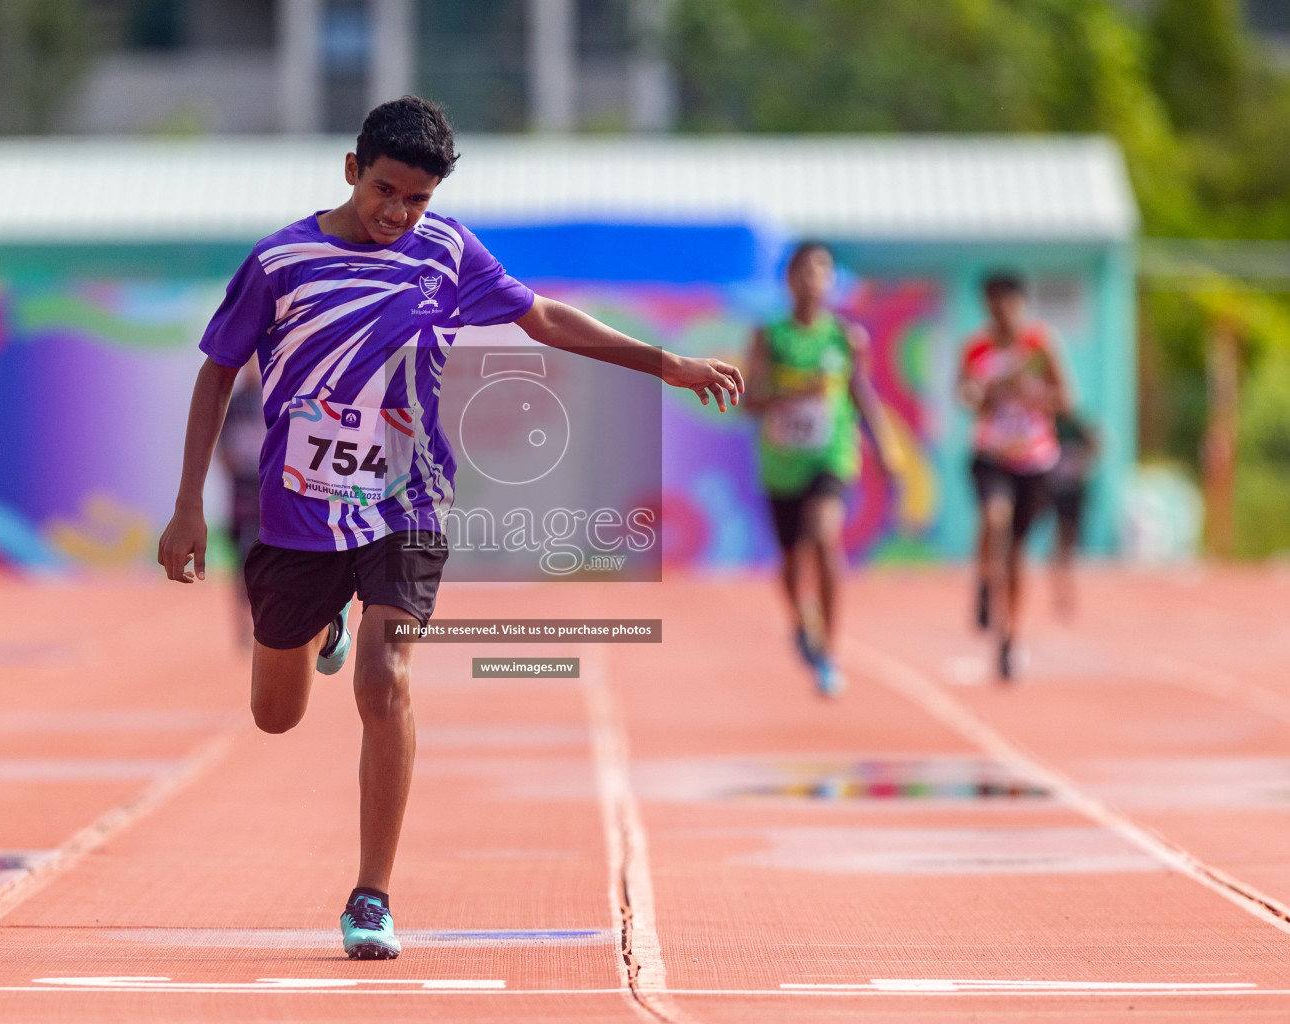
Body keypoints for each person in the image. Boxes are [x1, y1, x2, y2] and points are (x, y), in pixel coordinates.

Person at [156, 97, 743, 961]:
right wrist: (186, 507)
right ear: (352, 169)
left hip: (409, 503)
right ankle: (325, 620)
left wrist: (665, 362)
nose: (398, 214)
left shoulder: (446, 250)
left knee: (384, 681)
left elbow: (540, 316)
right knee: (276, 716)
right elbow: (216, 375)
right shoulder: (282, 260)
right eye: (386, 191)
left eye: (418, 200)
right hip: (298, 514)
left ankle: (371, 896)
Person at [747, 241, 895, 698]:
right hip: (782, 464)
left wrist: (885, 446)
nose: (814, 278)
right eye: (805, 269)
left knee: (826, 535)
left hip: (831, 456)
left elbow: (861, 393)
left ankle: (829, 654)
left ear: (831, 280)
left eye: (823, 269)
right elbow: (750, 402)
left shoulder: (845, 338)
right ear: (789, 279)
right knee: (792, 563)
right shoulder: (770, 338)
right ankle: (801, 620)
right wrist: (792, 394)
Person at [957, 272, 1071, 681]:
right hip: (991, 454)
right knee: (994, 517)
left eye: (1007, 302)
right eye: (992, 303)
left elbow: (1066, 399)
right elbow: (965, 396)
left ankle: (1009, 637)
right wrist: (992, 389)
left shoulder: (1041, 345)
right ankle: (985, 581)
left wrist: (1035, 393)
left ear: (1022, 303)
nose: (1001, 311)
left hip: (1035, 459)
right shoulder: (977, 348)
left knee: (1019, 554)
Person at [216, 356, 266, 648]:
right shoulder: (235, 403)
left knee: (269, 556)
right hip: (242, 489)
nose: (254, 369)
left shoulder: (277, 398)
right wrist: (233, 466)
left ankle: (265, 622)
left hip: (269, 490)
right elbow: (222, 447)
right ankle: (241, 624)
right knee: (240, 561)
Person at [1049, 411, 1098, 620]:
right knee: (1060, 540)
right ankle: (1060, 583)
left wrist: (1083, 466)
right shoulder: (1047, 424)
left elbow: (1095, 442)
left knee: (1067, 538)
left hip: (1073, 490)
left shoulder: (1076, 426)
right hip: (1050, 488)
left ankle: (1064, 584)